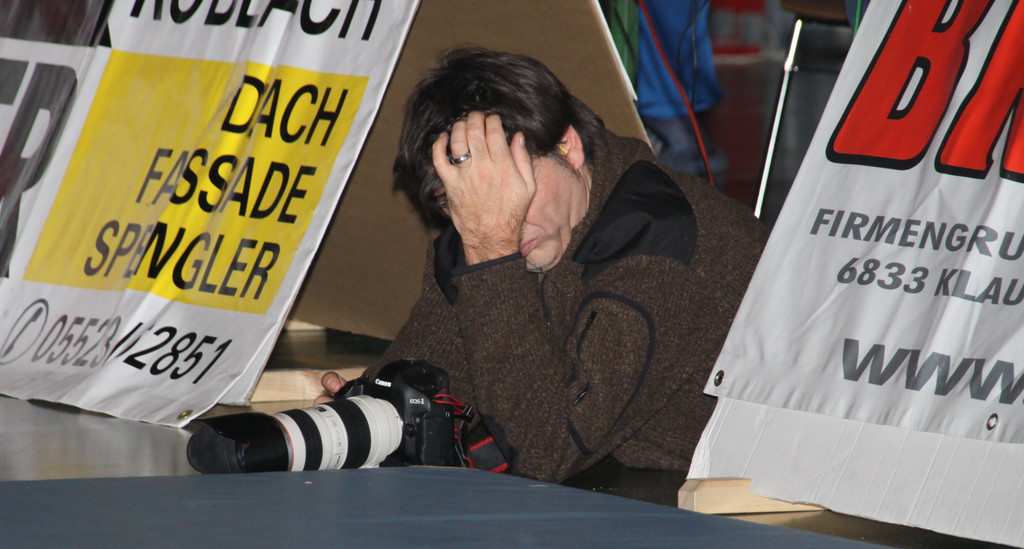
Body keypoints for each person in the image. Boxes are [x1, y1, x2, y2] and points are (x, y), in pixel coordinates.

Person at [320, 48, 767, 483]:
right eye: (463, 199)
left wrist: (492, 254)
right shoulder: (490, 225)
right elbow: (425, 382)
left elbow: (542, 452)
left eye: (511, 188)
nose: (501, 219)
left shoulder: (659, 249)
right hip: (619, 480)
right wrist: (362, 412)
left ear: (567, 147)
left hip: (740, 497)